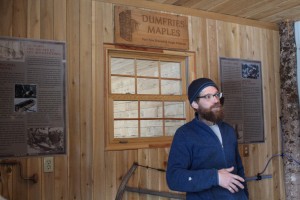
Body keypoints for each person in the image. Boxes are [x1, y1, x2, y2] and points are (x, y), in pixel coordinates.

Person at [166, 78, 248, 200]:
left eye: (216, 95)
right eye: (208, 96)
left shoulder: (229, 130)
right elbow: (174, 179)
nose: (215, 100)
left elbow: (239, 170)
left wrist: (244, 196)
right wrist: (215, 177)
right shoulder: (184, 134)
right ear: (194, 104)